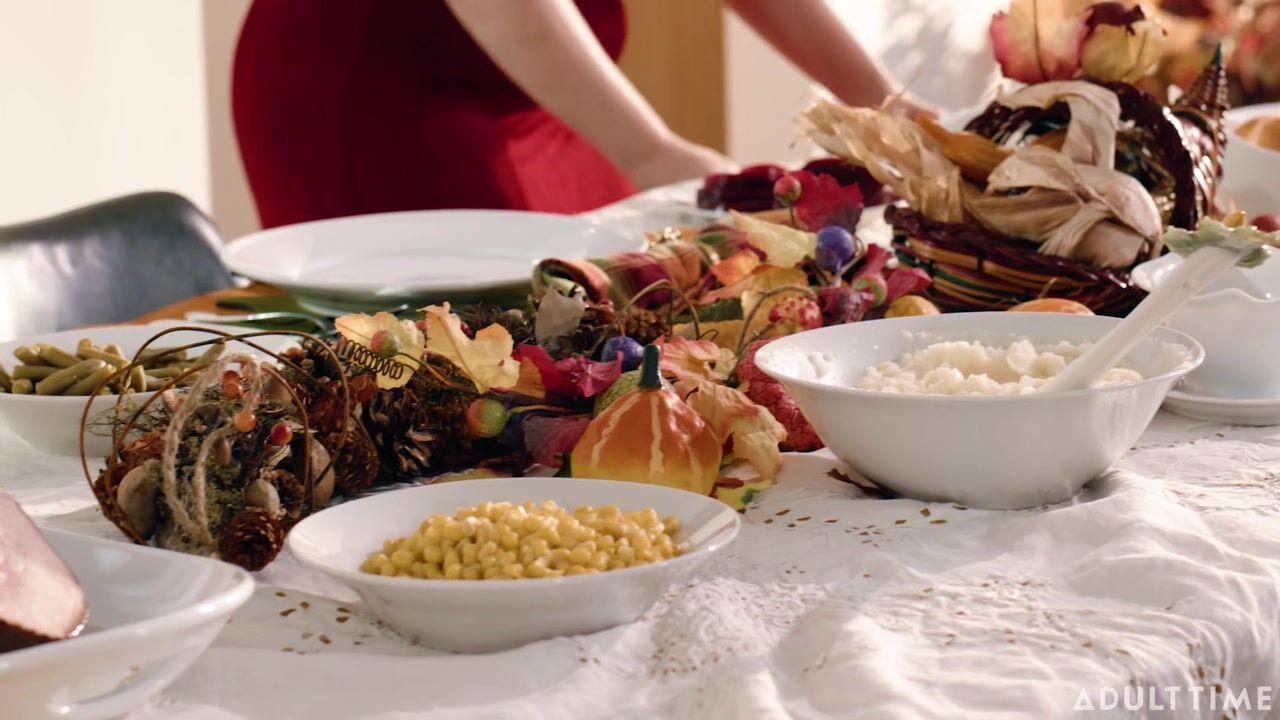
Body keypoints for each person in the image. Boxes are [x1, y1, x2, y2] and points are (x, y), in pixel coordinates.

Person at [233, 0, 933, 228]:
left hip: (543, 92)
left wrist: (883, 103)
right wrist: (652, 153)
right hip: (383, 81)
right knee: (444, 363)